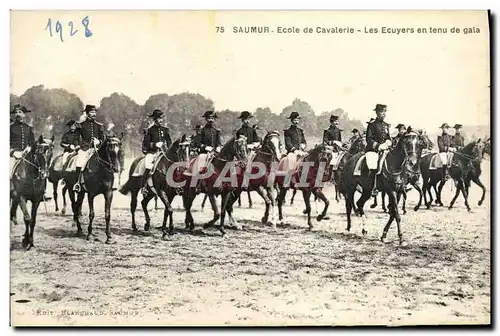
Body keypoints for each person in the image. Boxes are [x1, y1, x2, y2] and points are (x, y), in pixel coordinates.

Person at [73, 105, 106, 192]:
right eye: (92, 112)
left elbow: (103, 139)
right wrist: (77, 146)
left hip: (96, 149)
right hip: (84, 149)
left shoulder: (99, 125)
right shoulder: (81, 125)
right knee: (79, 162)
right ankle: (77, 183)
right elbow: (75, 138)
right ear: (87, 114)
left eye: (95, 112)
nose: (94, 114)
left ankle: (108, 183)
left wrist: (99, 141)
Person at [140, 109, 172, 195]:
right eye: (159, 118)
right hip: (152, 153)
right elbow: (145, 144)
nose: (161, 120)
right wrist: (154, 145)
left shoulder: (165, 130)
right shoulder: (150, 130)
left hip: (163, 153)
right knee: (148, 166)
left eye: (162, 118)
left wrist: (168, 149)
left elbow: (169, 142)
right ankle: (144, 187)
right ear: (155, 119)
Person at [365, 104, 392, 196]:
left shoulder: (386, 125)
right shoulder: (372, 125)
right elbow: (369, 139)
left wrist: (388, 142)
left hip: (385, 149)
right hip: (374, 150)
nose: (383, 114)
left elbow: (388, 137)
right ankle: (373, 187)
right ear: (377, 113)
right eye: (381, 112)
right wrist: (378, 146)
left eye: (385, 112)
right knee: (373, 165)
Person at [10, 104, 35, 185]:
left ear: (24, 115)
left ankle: (43, 192)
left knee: (39, 170)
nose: (17, 114)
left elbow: (32, 143)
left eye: (20, 112)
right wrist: (13, 152)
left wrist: (29, 148)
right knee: (8, 174)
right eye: (16, 113)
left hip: (27, 155)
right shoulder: (10, 128)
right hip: (14, 156)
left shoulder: (28, 128)